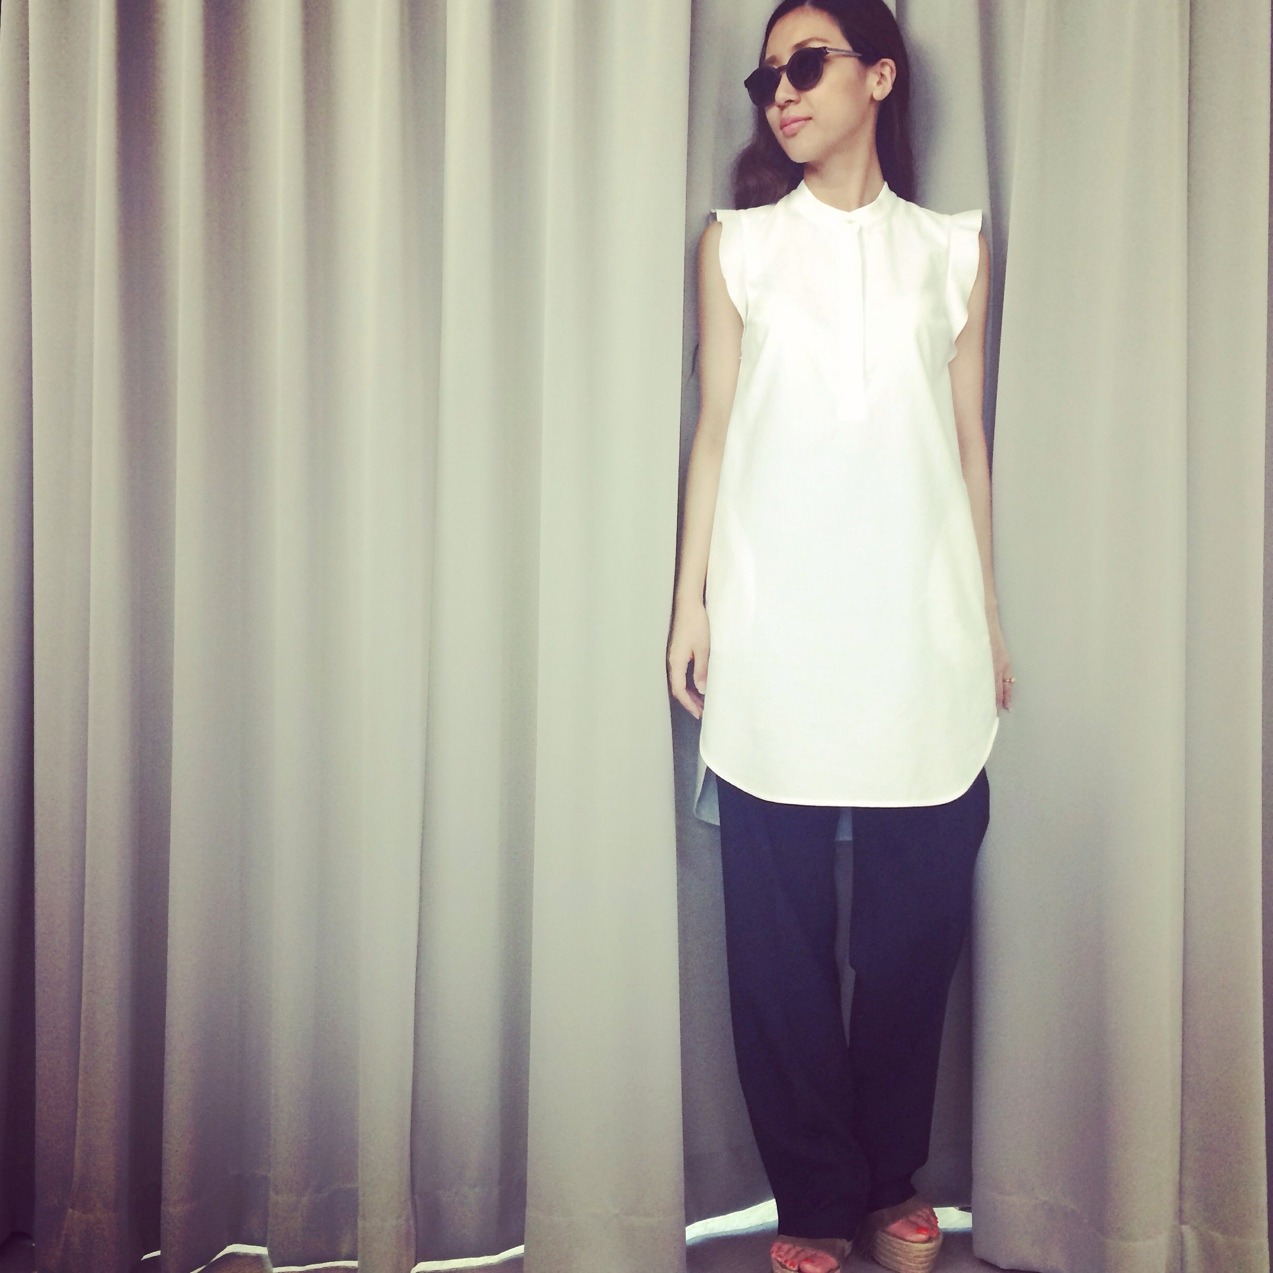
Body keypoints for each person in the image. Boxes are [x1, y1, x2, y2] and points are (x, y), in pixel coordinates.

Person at [666, 2, 1015, 1271]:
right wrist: (691, 601)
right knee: (778, 940)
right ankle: (813, 1199)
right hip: (777, 629)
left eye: (806, 63)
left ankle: (887, 1179)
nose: (782, 90)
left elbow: (967, 445)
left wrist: (986, 617)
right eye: (767, 74)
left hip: (917, 630)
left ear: (878, 76)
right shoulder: (738, 248)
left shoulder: (953, 251)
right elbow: (716, 429)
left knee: (914, 933)